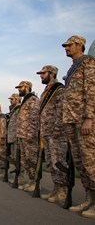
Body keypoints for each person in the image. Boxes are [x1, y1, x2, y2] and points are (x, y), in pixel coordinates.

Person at [61, 35, 95, 218]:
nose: (66, 48)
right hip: (72, 121)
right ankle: (90, 198)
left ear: (80, 45)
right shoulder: (73, 67)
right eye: (65, 46)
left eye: (69, 45)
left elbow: (91, 91)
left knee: (91, 161)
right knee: (81, 163)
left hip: (84, 121)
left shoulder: (88, 63)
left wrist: (89, 118)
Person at [36, 65, 68, 204]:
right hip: (46, 132)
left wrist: (57, 129)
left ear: (52, 73)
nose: (41, 76)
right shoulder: (45, 91)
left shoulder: (58, 89)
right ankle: (56, 188)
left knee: (58, 161)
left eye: (44, 73)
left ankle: (62, 191)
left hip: (56, 133)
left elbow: (61, 109)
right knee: (50, 162)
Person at [15, 81, 39, 192]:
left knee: (31, 159)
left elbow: (34, 118)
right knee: (25, 160)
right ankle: (29, 180)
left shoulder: (32, 99)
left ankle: (34, 182)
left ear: (27, 87)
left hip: (29, 135)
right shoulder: (25, 101)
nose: (19, 89)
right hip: (22, 135)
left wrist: (30, 134)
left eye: (21, 87)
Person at [6, 93, 21, 183]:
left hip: (17, 137)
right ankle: (18, 177)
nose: (10, 101)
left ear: (17, 99)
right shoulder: (13, 110)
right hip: (12, 137)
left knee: (19, 159)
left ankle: (21, 178)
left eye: (12, 99)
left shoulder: (19, 108)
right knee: (14, 158)